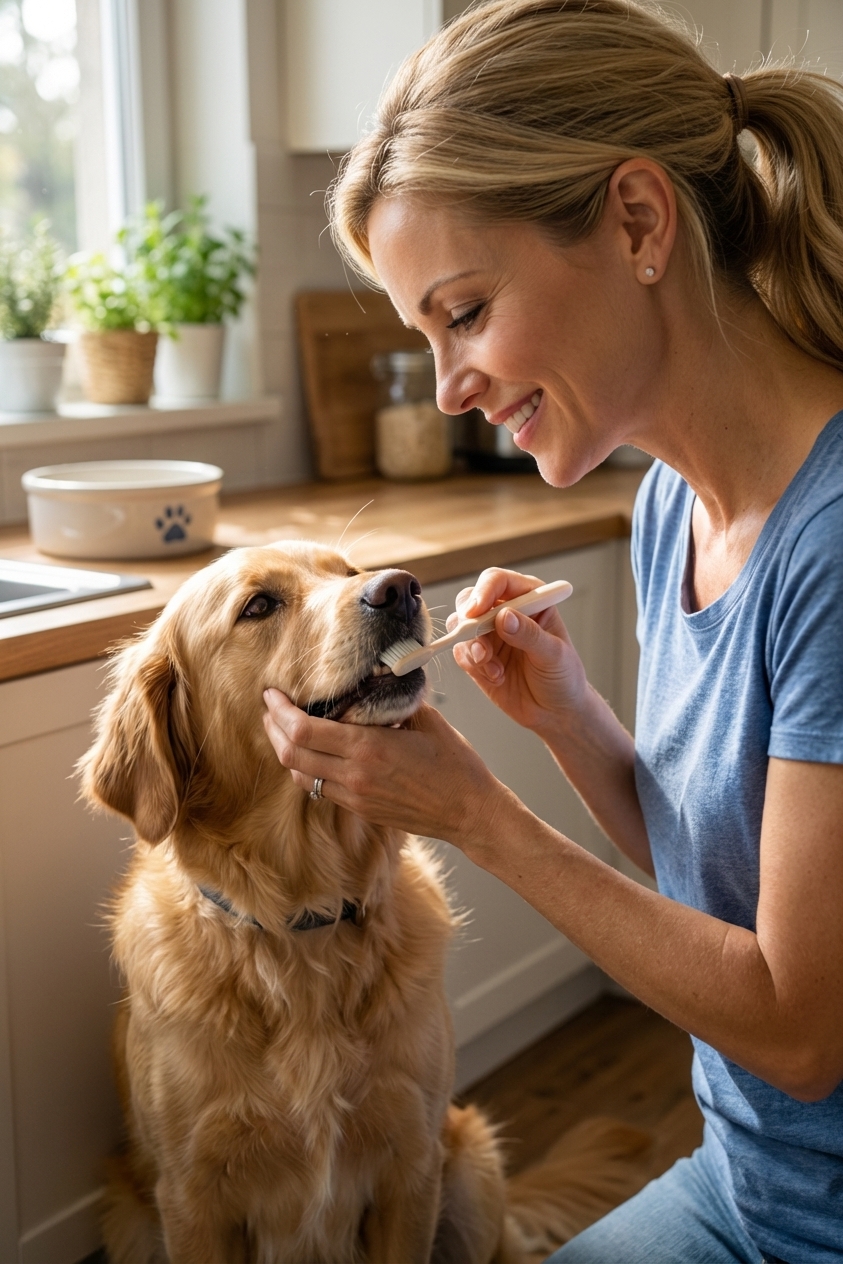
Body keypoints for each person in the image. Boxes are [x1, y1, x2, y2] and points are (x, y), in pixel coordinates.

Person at [262, 2, 843, 1259]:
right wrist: (571, 721)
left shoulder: (834, 544)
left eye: (464, 312)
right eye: (427, 337)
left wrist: (479, 816)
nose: (452, 382)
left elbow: (798, 1028)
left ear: (638, 222)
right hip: (746, 1185)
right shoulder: (668, 511)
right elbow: (730, 887)